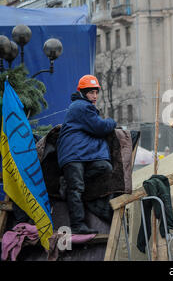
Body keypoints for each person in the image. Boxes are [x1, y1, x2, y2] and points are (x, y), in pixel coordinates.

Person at [57, 75, 117, 234]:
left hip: (81, 153)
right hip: (73, 154)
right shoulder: (82, 107)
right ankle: (77, 225)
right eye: (91, 92)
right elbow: (100, 127)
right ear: (83, 93)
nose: (95, 96)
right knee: (76, 188)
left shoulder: (82, 106)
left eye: (96, 92)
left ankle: (66, 183)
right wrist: (112, 122)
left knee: (104, 167)